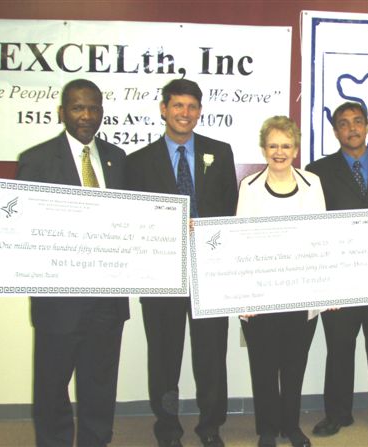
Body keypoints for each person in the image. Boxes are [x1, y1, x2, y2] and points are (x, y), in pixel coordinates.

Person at [16, 78, 130, 447]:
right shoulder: (36, 160)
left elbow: (131, 223)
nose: (86, 115)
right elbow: (19, 226)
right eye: (78, 107)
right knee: (52, 388)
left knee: (100, 385)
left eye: (93, 107)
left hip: (107, 301)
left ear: (101, 112)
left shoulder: (117, 159)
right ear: (62, 112)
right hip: (58, 301)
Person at [126, 79, 238, 447]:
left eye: (191, 107)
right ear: (163, 109)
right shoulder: (138, 162)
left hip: (209, 272)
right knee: (164, 357)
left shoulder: (220, 153)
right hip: (161, 274)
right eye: (177, 106)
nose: (184, 113)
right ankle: (168, 427)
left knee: (210, 355)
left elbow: (231, 211)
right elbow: (133, 220)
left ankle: (210, 426)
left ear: (199, 111)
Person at [306, 102, 368, 441]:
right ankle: (337, 415)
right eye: (344, 123)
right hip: (339, 277)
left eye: (357, 122)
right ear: (335, 131)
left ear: (367, 126)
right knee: (339, 347)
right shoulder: (317, 171)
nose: (351, 128)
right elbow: (312, 227)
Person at [236, 116, 325, 447]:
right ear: (263, 149)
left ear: (296, 149)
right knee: (263, 366)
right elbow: (241, 242)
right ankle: (267, 430)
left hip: (301, 294)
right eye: (273, 145)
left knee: (293, 366)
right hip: (261, 294)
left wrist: (327, 287)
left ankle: (291, 426)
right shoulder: (250, 187)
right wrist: (244, 296)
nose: (279, 152)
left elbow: (321, 240)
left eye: (286, 145)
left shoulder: (313, 183)